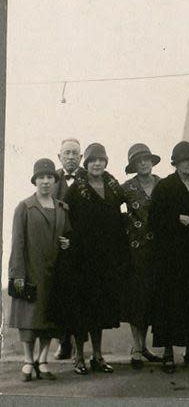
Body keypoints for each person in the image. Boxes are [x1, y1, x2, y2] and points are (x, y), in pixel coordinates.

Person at [58, 143, 131, 375]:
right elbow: (64, 219)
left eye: (101, 160)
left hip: (105, 259)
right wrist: (69, 243)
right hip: (81, 259)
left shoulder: (113, 187)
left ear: (106, 162)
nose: (97, 164)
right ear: (86, 164)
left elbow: (120, 219)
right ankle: (79, 357)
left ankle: (98, 356)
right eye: (92, 161)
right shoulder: (76, 189)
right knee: (82, 310)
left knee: (100, 310)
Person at [149, 141, 189, 373]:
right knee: (168, 305)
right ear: (176, 163)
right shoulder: (165, 186)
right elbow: (153, 220)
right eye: (185, 161)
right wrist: (178, 218)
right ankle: (167, 353)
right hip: (169, 258)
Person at [8, 159, 71, 381]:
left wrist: (66, 243)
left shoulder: (62, 208)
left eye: (50, 177)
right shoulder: (24, 207)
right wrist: (17, 274)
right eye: (41, 178)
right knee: (29, 319)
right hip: (31, 271)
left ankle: (43, 360)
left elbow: (68, 235)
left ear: (55, 181)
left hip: (54, 274)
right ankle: (27, 360)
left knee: (49, 319)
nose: (46, 181)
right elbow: (18, 243)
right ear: (35, 181)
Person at [120, 143, 163, 369]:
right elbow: (110, 210)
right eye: (139, 161)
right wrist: (125, 224)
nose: (144, 163)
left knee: (150, 300)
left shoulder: (163, 185)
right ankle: (137, 347)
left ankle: (144, 347)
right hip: (134, 252)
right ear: (134, 165)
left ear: (152, 161)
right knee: (136, 299)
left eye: (146, 159)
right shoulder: (125, 188)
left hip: (159, 252)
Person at [53, 138, 85, 361]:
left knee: (81, 293)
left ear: (81, 157)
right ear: (59, 157)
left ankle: (81, 345)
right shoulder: (49, 177)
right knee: (59, 293)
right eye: (67, 153)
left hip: (82, 246)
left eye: (75, 153)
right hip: (57, 245)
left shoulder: (90, 176)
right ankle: (64, 342)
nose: (71, 157)